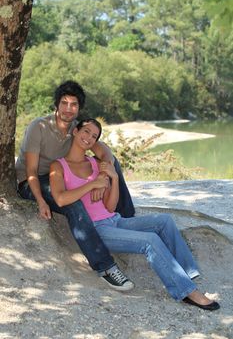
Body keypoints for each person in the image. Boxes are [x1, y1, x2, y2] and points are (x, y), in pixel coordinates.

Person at [50, 118, 220, 311]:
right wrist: (91, 185)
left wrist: (113, 178)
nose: (89, 138)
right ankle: (187, 292)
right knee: (149, 241)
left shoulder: (97, 165)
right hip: (97, 230)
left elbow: (110, 206)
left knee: (165, 221)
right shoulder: (59, 166)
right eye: (86, 131)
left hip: (114, 220)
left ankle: (187, 273)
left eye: (94, 136)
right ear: (75, 131)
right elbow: (61, 199)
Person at [16, 80, 135, 291]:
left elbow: (104, 152)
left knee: (112, 166)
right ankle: (106, 267)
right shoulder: (39, 126)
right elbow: (31, 172)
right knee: (73, 203)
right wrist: (41, 200)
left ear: (79, 108)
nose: (68, 109)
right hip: (33, 181)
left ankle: (125, 219)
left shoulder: (77, 128)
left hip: (58, 176)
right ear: (56, 104)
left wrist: (104, 178)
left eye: (74, 104)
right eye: (64, 103)